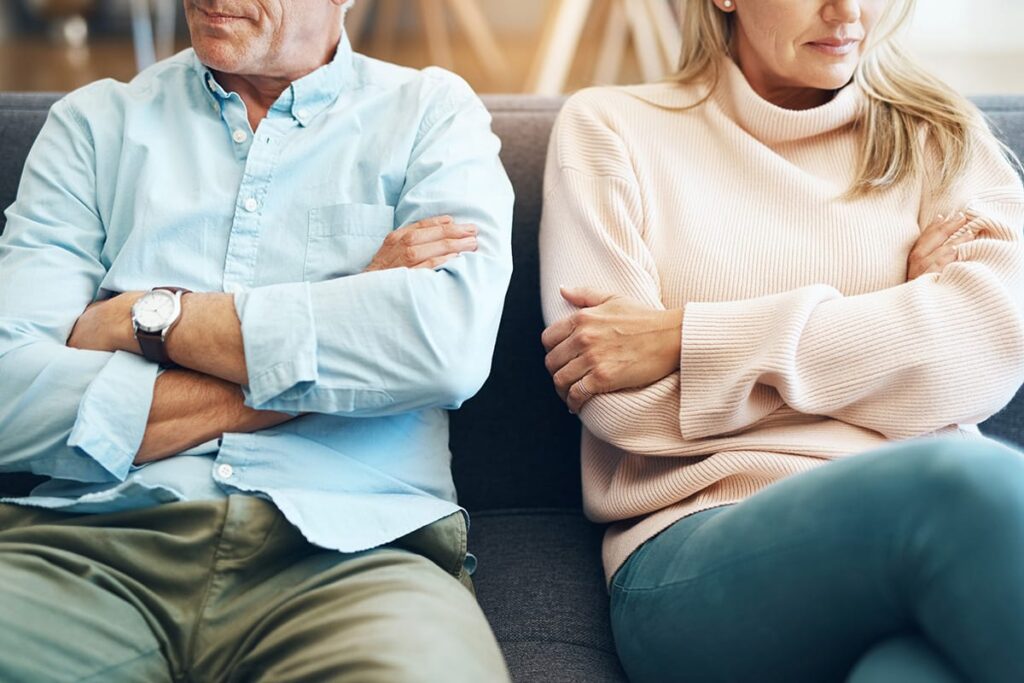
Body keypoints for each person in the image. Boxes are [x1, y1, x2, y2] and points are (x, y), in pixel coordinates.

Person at [0, 0, 514, 680]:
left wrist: (149, 321)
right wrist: (342, 326)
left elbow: (444, 346)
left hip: (356, 562)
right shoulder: (94, 127)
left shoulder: (430, 115)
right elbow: (9, 392)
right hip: (87, 548)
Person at [539, 0, 1024, 680]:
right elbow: (622, 404)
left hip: (920, 552)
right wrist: (895, 329)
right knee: (972, 484)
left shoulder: (941, 135)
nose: (849, 11)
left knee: (909, 671)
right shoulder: (612, 129)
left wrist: (687, 338)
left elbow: (986, 351)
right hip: (703, 548)